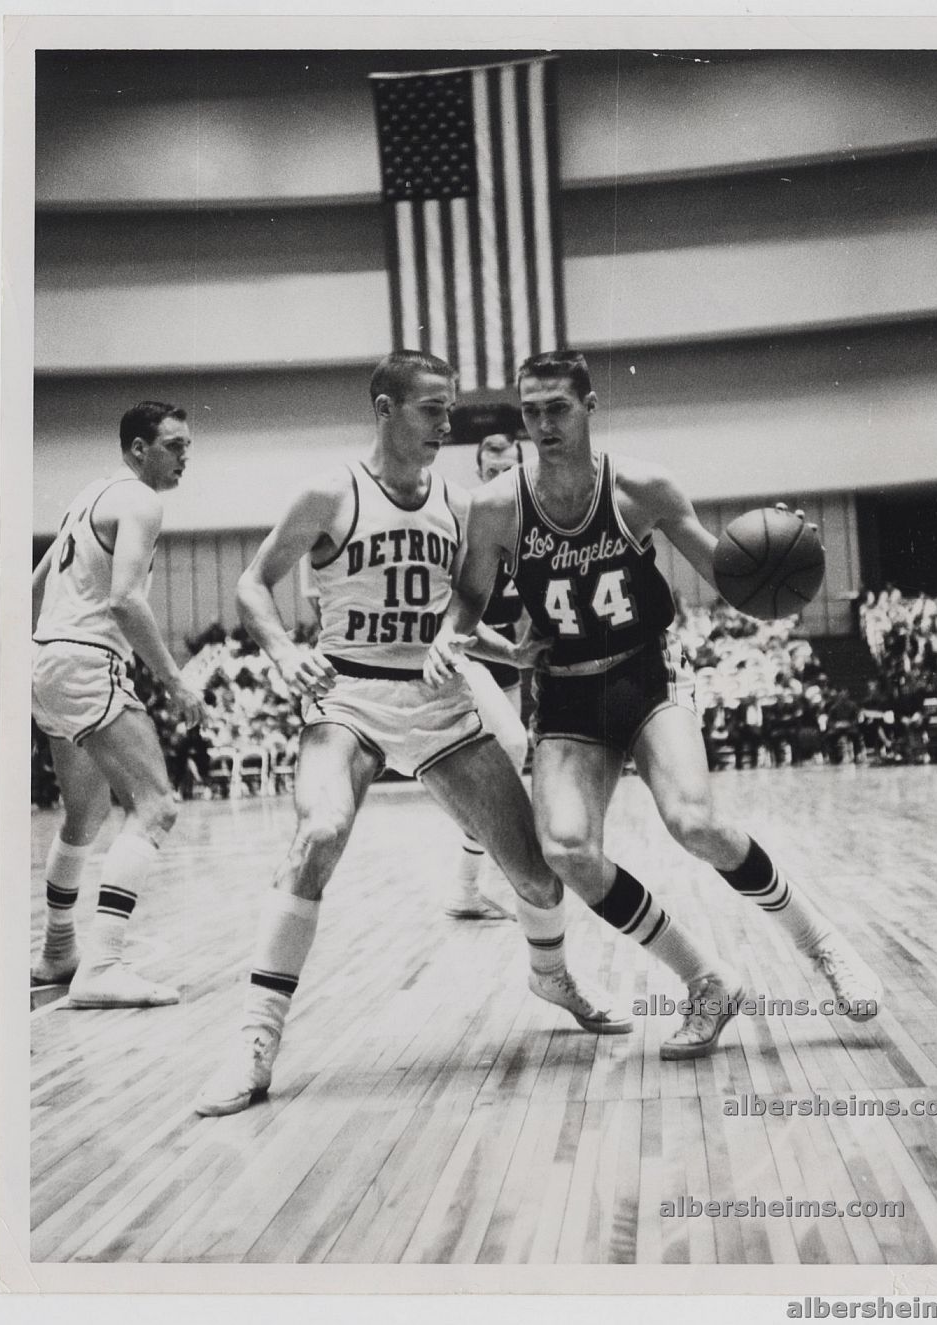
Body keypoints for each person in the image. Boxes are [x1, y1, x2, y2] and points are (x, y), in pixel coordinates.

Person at [194, 351, 630, 1118]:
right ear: (385, 409)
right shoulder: (330, 492)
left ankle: (551, 975)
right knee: (318, 831)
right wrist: (284, 650)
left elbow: (451, 617)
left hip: (435, 701)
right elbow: (251, 583)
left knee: (537, 878)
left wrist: (511, 652)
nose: (445, 423)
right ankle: (255, 1040)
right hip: (348, 697)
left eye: (449, 408)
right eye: (432, 408)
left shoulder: (457, 505)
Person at [426, 350, 882, 1056]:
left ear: (589, 406)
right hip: (565, 694)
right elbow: (466, 602)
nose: (544, 424)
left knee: (695, 822)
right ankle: (706, 980)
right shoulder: (496, 507)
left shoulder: (641, 488)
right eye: (531, 411)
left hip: (644, 679)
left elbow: (730, 579)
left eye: (557, 408)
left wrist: (787, 557)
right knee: (567, 850)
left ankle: (821, 943)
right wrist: (456, 639)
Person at [31, 400, 204, 1007]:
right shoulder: (141, 502)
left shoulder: (89, 496)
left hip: (46, 658)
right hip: (86, 661)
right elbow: (126, 601)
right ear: (138, 449)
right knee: (156, 806)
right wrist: (176, 682)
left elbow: (35, 584)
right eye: (174, 446)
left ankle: (58, 950)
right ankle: (102, 965)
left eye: (187, 446)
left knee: (85, 813)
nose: (185, 457)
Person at [446, 432, 530, 921]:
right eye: (492, 472)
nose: (500, 478)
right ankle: (477, 884)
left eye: (508, 471)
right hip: (463, 648)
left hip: (507, 658)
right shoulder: (466, 519)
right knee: (512, 746)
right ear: (479, 473)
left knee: (508, 772)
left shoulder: (533, 522)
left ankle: (468, 888)